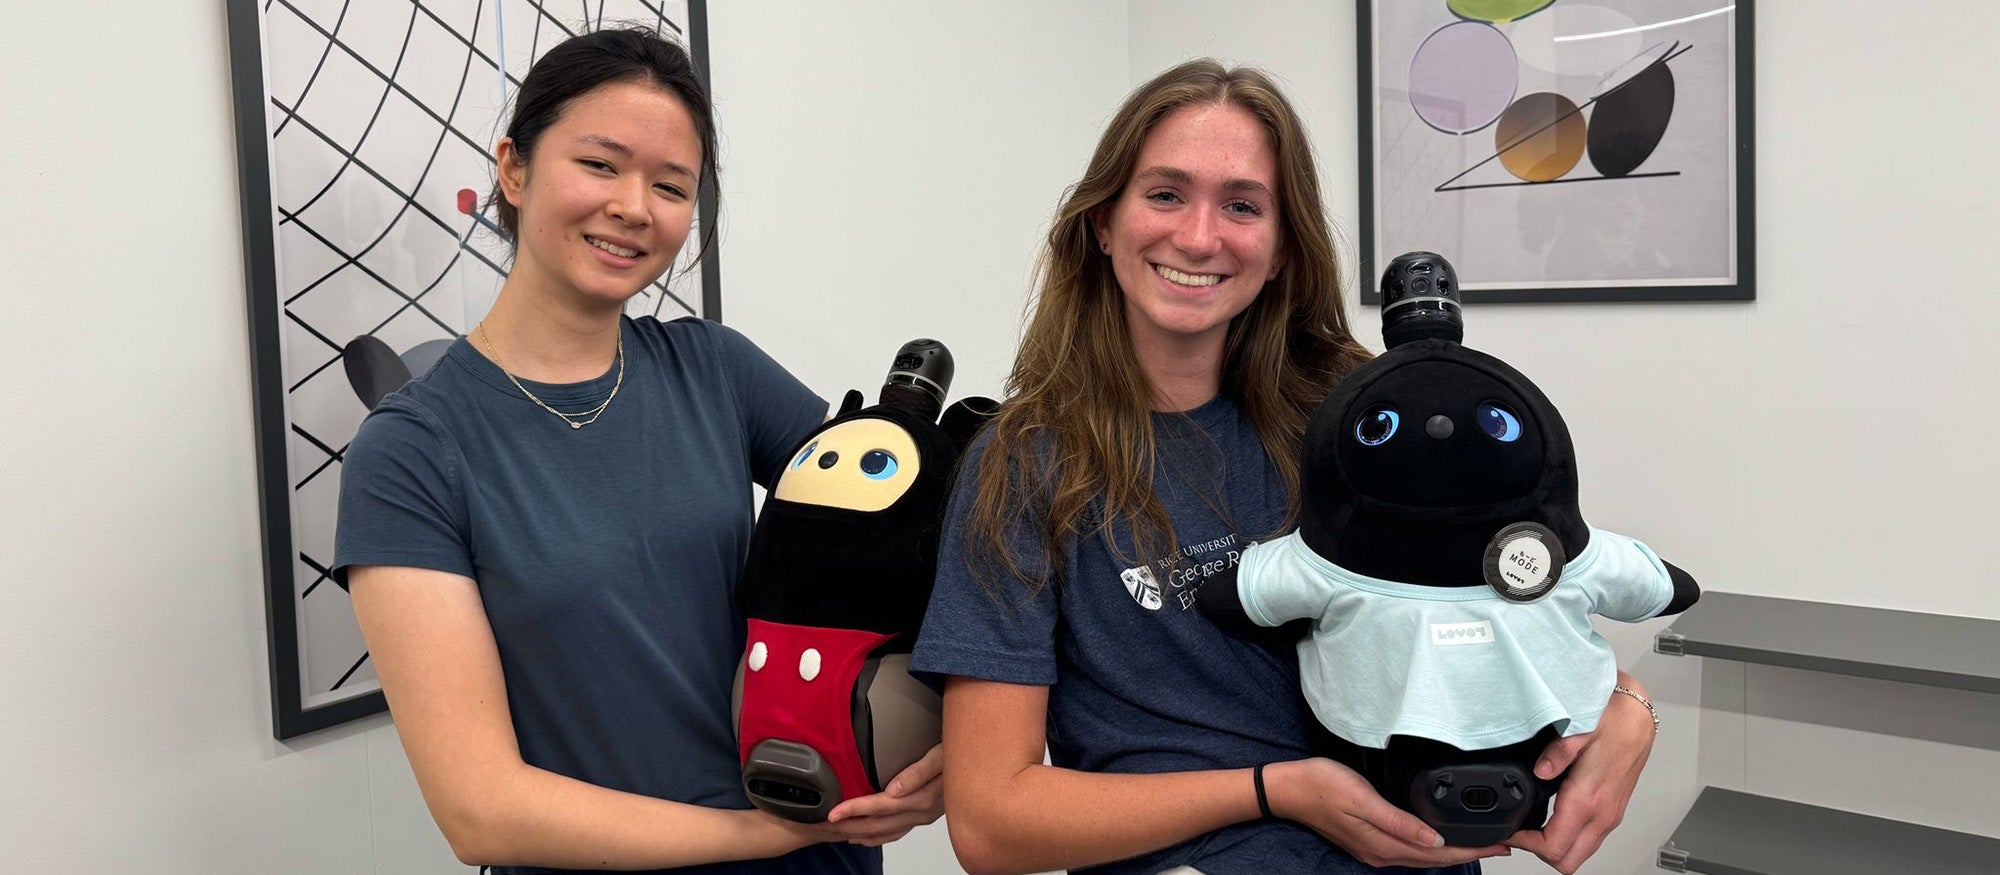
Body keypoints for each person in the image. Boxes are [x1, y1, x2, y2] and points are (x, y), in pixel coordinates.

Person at [909, 59, 1660, 875]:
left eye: (1241, 205)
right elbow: (990, 821)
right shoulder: (1024, 461)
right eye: (1164, 193)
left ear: (1279, 250)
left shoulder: (1357, 420)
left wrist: (1626, 704)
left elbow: (1488, 611)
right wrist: (1276, 791)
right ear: (1102, 222)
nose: (1199, 237)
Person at [333, 28, 941, 874]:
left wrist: (948, 746)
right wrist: (771, 833)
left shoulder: (716, 369)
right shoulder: (410, 453)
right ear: (513, 167)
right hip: (773, 839)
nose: (633, 206)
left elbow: (921, 532)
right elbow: (481, 808)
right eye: (599, 164)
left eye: (670, 185)